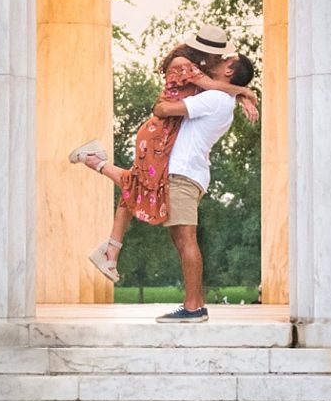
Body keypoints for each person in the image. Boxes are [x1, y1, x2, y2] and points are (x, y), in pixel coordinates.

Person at [70, 37, 258, 319]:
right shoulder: (221, 96)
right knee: (137, 188)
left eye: (226, 60)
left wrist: (163, 106)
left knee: (185, 240)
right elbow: (207, 85)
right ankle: (95, 162)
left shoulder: (216, 98)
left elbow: (164, 109)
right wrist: (243, 92)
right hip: (179, 170)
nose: (220, 60)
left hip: (182, 173)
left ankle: (194, 307)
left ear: (230, 71)